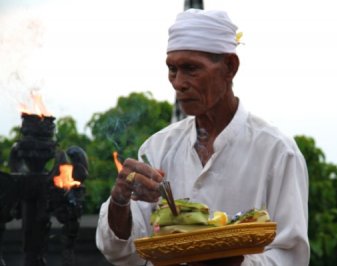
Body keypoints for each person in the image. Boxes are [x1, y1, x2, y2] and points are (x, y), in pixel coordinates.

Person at [96, 8, 309, 266]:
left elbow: (291, 256)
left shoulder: (276, 152)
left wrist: (229, 262)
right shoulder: (158, 148)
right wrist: (120, 201)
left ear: (230, 67)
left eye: (191, 69)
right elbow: (123, 251)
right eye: (172, 69)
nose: (178, 83)